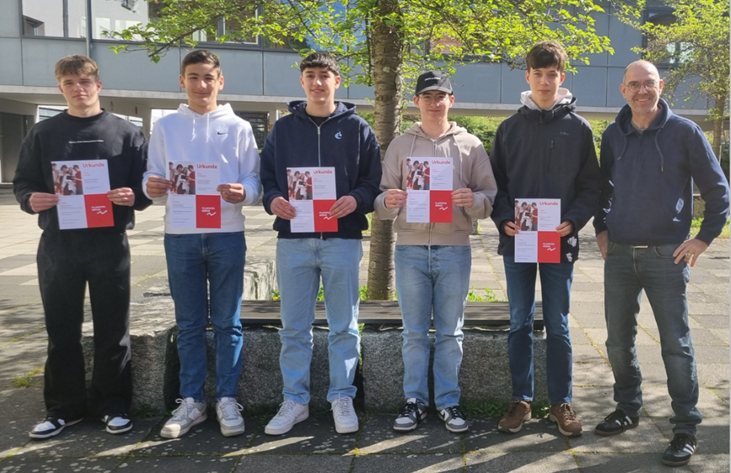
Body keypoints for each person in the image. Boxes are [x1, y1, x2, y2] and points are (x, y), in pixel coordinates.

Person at [593, 60, 730, 467]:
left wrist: (703, 238)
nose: (641, 91)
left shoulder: (685, 133)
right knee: (618, 342)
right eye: (634, 85)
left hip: (666, 257)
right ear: (622, 90)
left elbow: (719, 191)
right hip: (618, 255)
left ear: (660, 85)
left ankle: (685, 427)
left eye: (648, 84)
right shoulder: (612, 136)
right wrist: (601, 228)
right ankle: (627, 407)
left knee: (676, 345)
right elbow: (603, 189)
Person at [13, 55, 151, 439]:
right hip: (59, 244)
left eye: (85, 81)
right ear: (60, 88)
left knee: (113, 328)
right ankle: (63, 409)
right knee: (61, 330)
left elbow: (146, 186)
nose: (78, 89)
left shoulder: (125, 132)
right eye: (70, 83)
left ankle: (114, 405)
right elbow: (23, 182)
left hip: (109, 243)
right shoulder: (43, 133)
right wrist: (30, 199)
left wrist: (133, 196)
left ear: (98, 85)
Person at [260, 51, 381, 436]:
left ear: (337, 81)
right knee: (294, 326)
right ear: (302, 81)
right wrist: (273, 199)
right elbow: (267, 178)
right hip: (293, 240)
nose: (317, 82)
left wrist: (356, 200)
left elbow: (371, 181)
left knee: (344, 325)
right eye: (310, 75)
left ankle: (341, 396)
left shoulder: (359, 127)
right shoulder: (282, 129)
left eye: (324, 76)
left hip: (341, 239)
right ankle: (295, 400)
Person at [143, 50, 261, 439]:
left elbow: (254, 183)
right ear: (182, 81)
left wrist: (244, 192)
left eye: (209, 77)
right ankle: (191, 401)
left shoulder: (240, 126)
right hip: (180, 235)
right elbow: (153, 178)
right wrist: (151, 186)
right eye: (193, 77)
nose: (201, 85)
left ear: (220, 81)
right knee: (190, 324)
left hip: (227, 234)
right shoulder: (166, 127)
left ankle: (227, 398)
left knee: (229, 323)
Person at [375, 70, 497, 433]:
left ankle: (448, 402)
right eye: (426, 96)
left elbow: (489, 200)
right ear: (416, 102)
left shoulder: (470, 145)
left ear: (450, 101)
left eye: (440, 96)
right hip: (410, 250)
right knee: (413, 332)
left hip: (454, 249)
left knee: (450, 333)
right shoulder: (400, 145)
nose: (433, 102)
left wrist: (472, 200)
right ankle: (414, 401)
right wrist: (389, 200)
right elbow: (380, 202)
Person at [489, 41, 601, 437]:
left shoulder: (579, 128)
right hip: (517, 241)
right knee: (519, 322)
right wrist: (503, 218)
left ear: (561, 77)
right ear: (528, 77)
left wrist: (573, 220)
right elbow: (495, 185)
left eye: (551, 74)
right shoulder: (509, 129)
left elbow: (591, 186)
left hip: (559, 241)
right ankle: (521, 399)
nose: (544, 81)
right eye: (537, 73)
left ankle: (560, 402)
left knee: (557, 324)